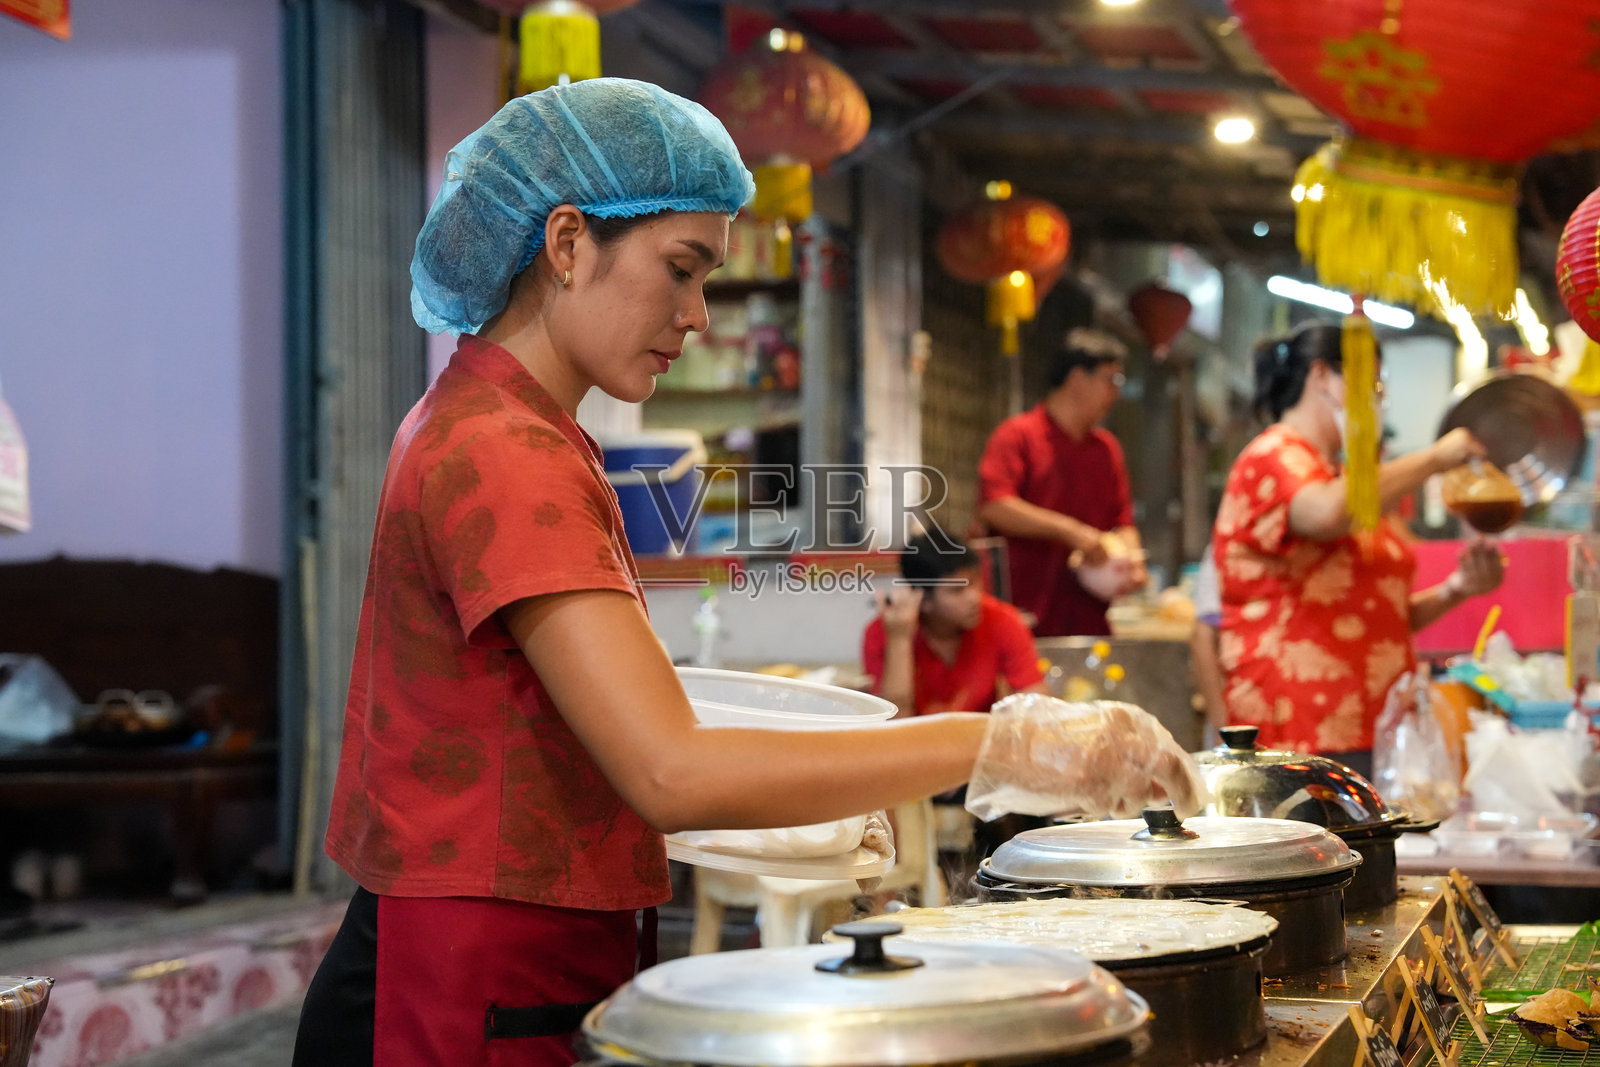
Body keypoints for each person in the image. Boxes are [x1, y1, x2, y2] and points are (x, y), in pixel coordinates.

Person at [291, 79, 1204, 1067]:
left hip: (495, 940)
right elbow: (669, 769)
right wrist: (1002, 741)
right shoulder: (507, 449)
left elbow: (567, 728)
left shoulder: (488, 416)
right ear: (565, 243)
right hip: (470, 967)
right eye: (679, 269)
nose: (696, 314)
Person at [1212, 322, 1505, 775]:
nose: (1375, 403)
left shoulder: (1344, 477)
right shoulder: (1274, 455)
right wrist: (1432, 459)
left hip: (1375, 730)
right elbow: (1325, 514)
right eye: (1371, 386)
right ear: (1322, 377)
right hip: (1300, 733)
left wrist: (1458, 589)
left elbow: (1382, 618)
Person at [977, 328, 1147, 637]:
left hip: (1088, 615)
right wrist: (1072, 533)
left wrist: (1132, 560)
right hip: (1022, 611)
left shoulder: (1106, 449)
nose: (1116, 393)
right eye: (1112, 380)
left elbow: (1122, 521)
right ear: (1077, 377)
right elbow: (995, 505)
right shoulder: (1018, 435)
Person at [862, 534, 1047, 719]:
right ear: (922, 599)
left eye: (975, 582)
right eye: (957, 590)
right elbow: (894, 722)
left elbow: (1038, 708)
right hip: (914, 744)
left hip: (981, 740)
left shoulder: (1002, 620)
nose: (974, 597)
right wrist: (899, 640)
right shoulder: (883, 633)